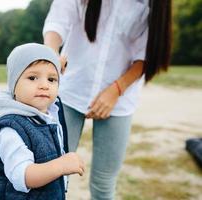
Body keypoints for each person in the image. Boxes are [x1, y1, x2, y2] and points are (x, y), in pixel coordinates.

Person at [43, 0, 172, 199]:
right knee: (53, 174)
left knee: (103, 183)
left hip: (120, 98)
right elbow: (59, 18)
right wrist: (50, 54)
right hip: (70, 89)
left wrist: (116, 90)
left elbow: (147, 52)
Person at [0, 43, 85, 200]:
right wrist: (61, 165)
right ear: (14, 84)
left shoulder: (48, 116)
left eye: (52, 79)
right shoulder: (10, 129)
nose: (44, 85)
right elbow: (22, 176)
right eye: (32, 78)